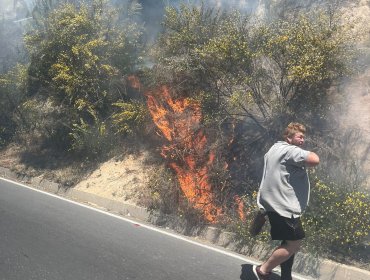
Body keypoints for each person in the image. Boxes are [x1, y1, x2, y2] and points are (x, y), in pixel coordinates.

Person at [253, 122, 320, 280]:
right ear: (289, 138)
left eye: (304, 137)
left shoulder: (274, 148)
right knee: (294, 244)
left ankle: (286, 276)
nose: (303, 140)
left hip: (271, 203)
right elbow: (314, 159)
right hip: (284, 208)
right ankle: (262, 270)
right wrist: (305, 153)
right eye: (299, 136)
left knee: (287, 241)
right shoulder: (291, 151)